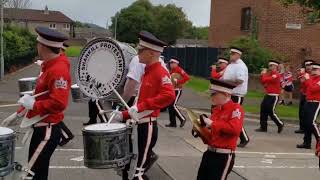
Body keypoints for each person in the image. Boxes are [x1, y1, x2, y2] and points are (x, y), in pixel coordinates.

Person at [112, 30, 175, 180]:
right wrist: (123, 115)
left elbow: (169, 95)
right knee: (128, 171)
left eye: (141, 50)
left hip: (147, 127)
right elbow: (139, 104)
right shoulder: (148, 71)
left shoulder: (160, 72)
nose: (138, 53)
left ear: (152, 53)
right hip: (138, 125)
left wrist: (139, 107)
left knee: (137, 173)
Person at [17, 26, 71, 180]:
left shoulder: (58, 70)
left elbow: (59, 103)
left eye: (38, 44)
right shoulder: (50, 66)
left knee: (30, 174)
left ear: (43, 46)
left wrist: (33, 105)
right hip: (41, 128)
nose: (37, 46)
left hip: (46, 131)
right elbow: (43, 95)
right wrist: (23, 109)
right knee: (38, 174)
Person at [195, 79, 244, 180]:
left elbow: (235, 129)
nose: (211, 97)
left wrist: (212, 123)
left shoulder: (236, 108)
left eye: (214, 94)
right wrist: (200, 130)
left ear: (226, 94)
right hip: (209, 153)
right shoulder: (216, 110)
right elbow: (210, 137)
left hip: (223, 156)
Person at [222, 47, 249, 148]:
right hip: (230, 93)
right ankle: (228, 136)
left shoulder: (240, 66)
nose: (231, 55)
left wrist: (227, 84)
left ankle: (244, 138)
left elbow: (240, 80)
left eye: (233, 54)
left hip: (236, 94)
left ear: (238, 55)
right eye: (231, 53)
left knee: (235, 117)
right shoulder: (231, 65)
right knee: (228, 116)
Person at [256, 60, 284, 133]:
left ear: (275, 66)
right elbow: (263, 81)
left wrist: (264, 74)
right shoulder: (269, 74)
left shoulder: (276, 74)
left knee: (270, 111)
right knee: (263, 109)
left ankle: (280, 123)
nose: (270, 67)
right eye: (269, 66)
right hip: (268, 94)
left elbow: (266, 79)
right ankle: (263, 127)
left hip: (274, 96)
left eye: (271, 66)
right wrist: (262, 75)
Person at [296, 62, 320, 149]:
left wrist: (308, 79)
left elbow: (314, 89)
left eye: (315, 69)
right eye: (312, 69)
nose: (313, 71)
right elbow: (305, 87)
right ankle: (307, 142)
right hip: (308, 101)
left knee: (311, 122)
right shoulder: (311, 78)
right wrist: (303, 78)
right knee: (306, 123)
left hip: (316, 102)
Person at [166, 57, 190, 128]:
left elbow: (187, 77)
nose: (171, 64)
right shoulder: (171, 70)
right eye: (170, 63)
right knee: (170, 107)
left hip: (177, 90)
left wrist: (178, 82)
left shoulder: (179, 70)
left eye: (173, 63)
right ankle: (173, 123)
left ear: (177, 63)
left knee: (173, 105)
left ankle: (182, 119)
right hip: (172, 90)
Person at [295, 60, 314, 134]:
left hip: (310, 96)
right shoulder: (304, 74)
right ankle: (302, 128)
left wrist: (305, 78)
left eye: (309, 65)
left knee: (307, 113)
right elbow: (301, 82)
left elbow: (308, 85)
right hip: (304, 94)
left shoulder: (314, 75)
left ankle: (309, 128)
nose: (308, 66)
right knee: (301, 112)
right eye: (306, 65)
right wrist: (301, 74)